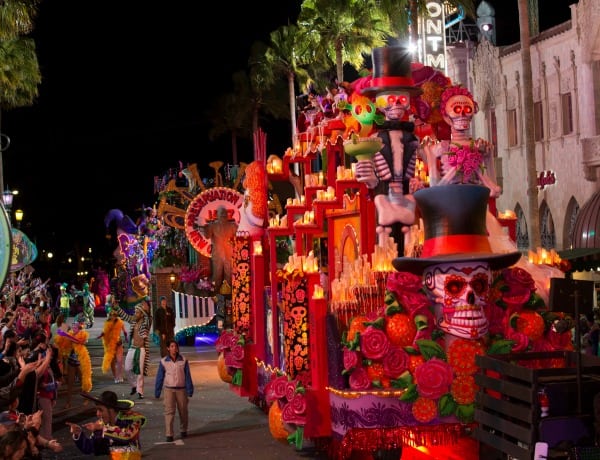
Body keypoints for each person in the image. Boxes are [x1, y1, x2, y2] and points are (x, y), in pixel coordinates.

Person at [355, 46, 422, 256]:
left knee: (408, 235)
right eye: (389, 100)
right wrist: (370, 178)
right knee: (384, 236)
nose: (396, 105)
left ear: (408, 102)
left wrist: (417, 180)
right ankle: (388, 279)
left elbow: (418, 164)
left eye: (401, 100)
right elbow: (367, 176)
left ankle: (407, 276)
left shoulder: (413, 139)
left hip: (406, 195)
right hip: (383, 193)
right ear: (379, 103)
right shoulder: (374, 140)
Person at [67, 390, 147, 456]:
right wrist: (78, 434)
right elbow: (90, 447)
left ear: (111, 410)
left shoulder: (133, 419)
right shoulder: (100, 423)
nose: (97, 414)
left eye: (101, 410)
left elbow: (127, 435)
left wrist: (103, 429)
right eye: (97, 410)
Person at [154, 340, 194, 443]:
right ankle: (169, 434)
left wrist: (190, 390)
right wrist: (157, 391)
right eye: (171, 346)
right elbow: (160, 377)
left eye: (175, 346)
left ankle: (183, 430)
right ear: (168, 348)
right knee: (169, 412)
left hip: (181, 390)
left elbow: (188, 376)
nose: (174, 348)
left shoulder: (183, 360)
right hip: (169, 390)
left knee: (183, 411)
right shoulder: (164, 362)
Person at [116, 300, 151, 399]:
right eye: (135, 312)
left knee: (140, 371)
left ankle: (140, 391)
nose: (135, 314)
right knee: (127, 368)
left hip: (142, 349)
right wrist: (117, 307)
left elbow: (149, 318)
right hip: (132, 348)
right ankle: (134, 385)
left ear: (142, 313)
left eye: (137, 312)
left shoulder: (145, 323)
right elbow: (125, 316)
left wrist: (147, 310)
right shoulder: (133, 320)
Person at [200, 206, 238, 292]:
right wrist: (205, 229)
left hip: (229, 253)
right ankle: (215, 293)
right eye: (221, 214)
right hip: (217, 253)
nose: (223, 216)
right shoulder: (212, 225)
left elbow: (238, 236)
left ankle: (230, 294)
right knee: (217, 274)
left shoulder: (232, 225)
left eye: (225, 214)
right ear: (217, 215)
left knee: (230, 274)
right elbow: (207, 235)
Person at [98, 309, 128, 383]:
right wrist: (101, 335)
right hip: (110, 344)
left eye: (114, 315)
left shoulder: (120, 322)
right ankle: (116, 376)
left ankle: (119, 376)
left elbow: (124, 331)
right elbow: (104, 331)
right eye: (111, 315)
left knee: (119, 361)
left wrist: (126, 337)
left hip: (118, 343)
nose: (113, 317)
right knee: (112, 361)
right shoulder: (107, 323)